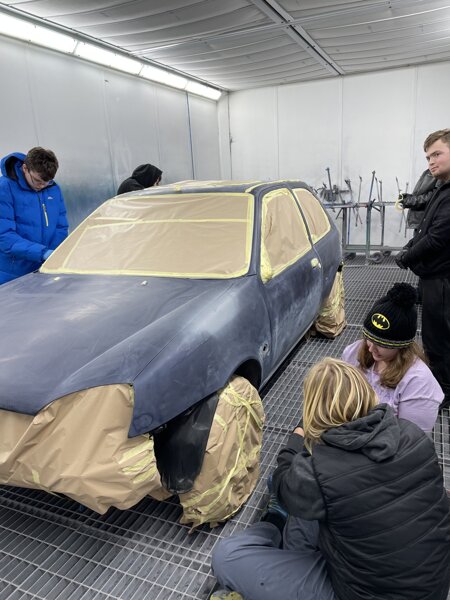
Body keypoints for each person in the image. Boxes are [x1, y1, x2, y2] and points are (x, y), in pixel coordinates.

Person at [210, 358, 450, 600]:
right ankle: (291, 562)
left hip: (360, 593)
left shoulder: (319, 471)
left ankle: (274, 524)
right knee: (316, 505)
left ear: (314, 412)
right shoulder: (413, 434)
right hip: (432, 587)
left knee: (227, 556)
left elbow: (282, 480)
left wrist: (297, 439)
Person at [342, 282, 443, 433]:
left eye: (382, 344)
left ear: (402, 345)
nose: (370, 347)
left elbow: (411, 440)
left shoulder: (418, 384)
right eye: (368, 338)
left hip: (383, 448)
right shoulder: (355, 351)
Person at [396, 128, 450, 408]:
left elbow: (437, 237)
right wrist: (410, 245)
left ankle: (443, 395)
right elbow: (427, 227)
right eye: (428, 156)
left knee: (439, 339)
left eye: (437, 154)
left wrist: (407, 256)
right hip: (434, 277)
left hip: (442, 281)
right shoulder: (442, 189)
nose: (431, 161)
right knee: (434, 335)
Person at [0, 147, 68, 285]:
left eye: (47, 181)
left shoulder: (53, 189)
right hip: (12, 273)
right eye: (37, 180)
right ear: (25, 168)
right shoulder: (4, 188)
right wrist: (42, 253)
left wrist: (53, 254)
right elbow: (4, 236)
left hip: (44, 270)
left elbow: (61, 227)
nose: (42, 186)